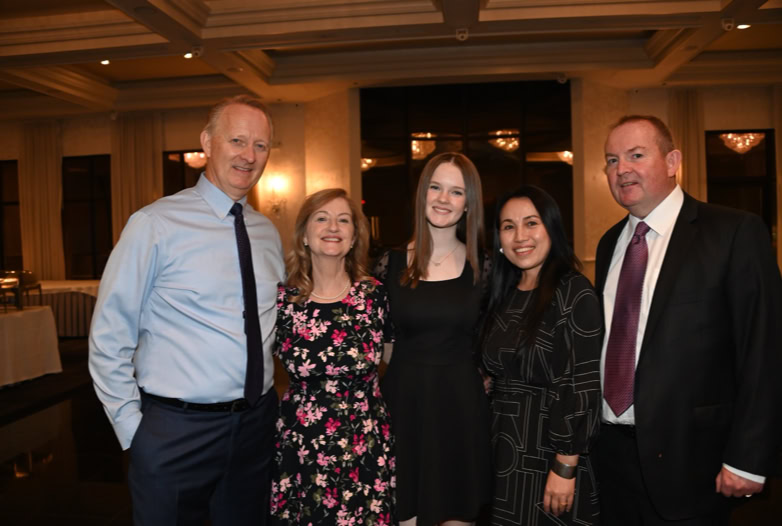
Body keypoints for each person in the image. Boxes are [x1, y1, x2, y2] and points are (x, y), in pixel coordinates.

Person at [89, 95, 285, 525]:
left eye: (261, 145)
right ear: (208, 143)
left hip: (255, 427)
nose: (249, 155)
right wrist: (134, 431)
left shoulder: (267, 232)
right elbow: (109, 334)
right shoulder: (155, 224)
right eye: (237, 140)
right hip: (176, 432)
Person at [594, 115, 782, 525]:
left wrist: (749, 458)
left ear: (673, 161)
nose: (621, 169)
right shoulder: (610, 244)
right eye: (611, 160)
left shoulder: (733, 233)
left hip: (694, 461)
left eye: (636, 155)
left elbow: (765, 350)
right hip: (610, 458)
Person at [375, 152, 492, 526]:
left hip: (461, 410)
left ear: (469, 203)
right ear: (422, 193)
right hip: (403, 406)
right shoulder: (390, 263)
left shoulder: (485, 267)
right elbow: (380, 345)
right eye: (436, 187)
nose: (443, 199)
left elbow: (496, 337)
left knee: (458, 513)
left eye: (456, 192)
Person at [270, 188, 395, 525]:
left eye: (343, 220)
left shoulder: (374, 295)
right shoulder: (283, 300)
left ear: (354, 237)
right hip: (302, 447)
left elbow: (396, 360)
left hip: (364, 444)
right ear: (304, 235)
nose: (333, 227)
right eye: (321, 218)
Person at [481, 185, 603, 525]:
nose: (520, 236)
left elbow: (582, 384)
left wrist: (565, 465)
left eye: (531, 223)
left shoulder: (574, 292)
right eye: (509, 226)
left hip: (550, 452)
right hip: (502, 448)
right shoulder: (502, 293)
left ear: (552, 228)